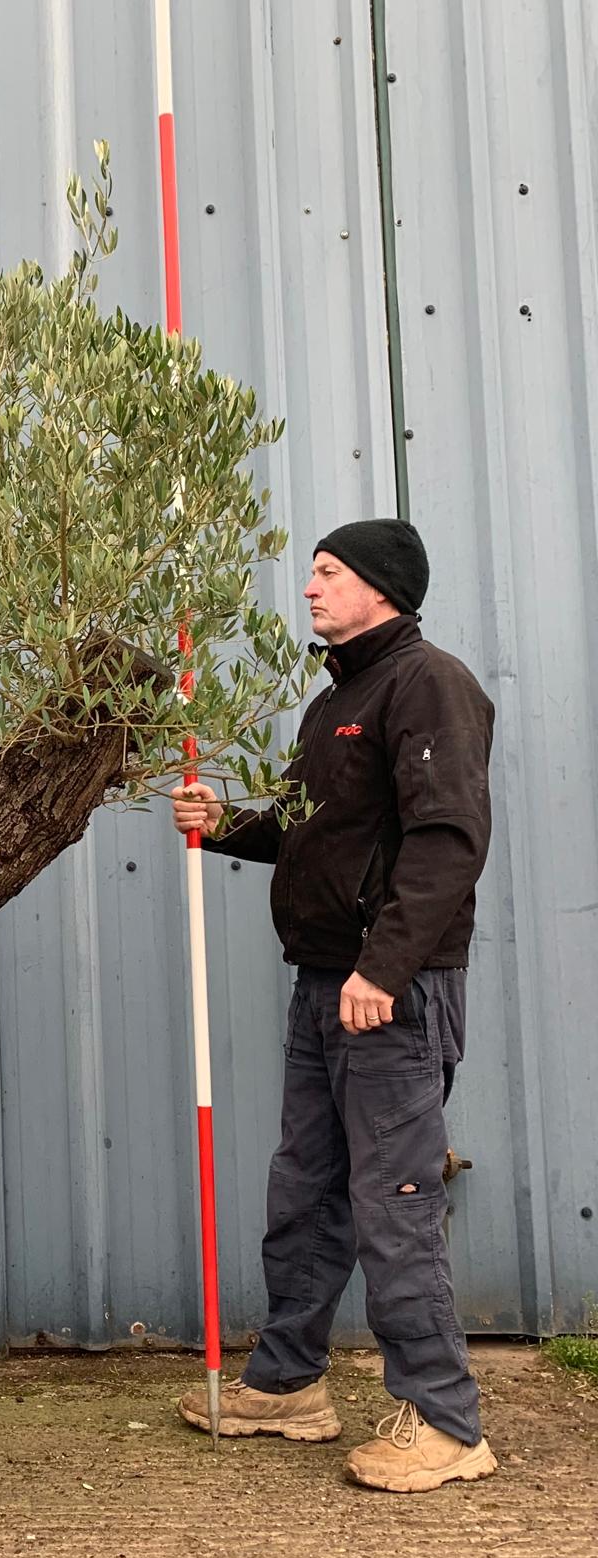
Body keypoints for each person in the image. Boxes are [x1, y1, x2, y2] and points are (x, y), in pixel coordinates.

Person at [172, 517, 497, 1492]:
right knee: (303, 1189)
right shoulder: (338, 701)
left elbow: (447, 840)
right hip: (326, 985)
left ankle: (446, 1423)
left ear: (382, 585)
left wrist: (383, 970)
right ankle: (288, 1382)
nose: (308, 588)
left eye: (328, 572)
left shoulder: (425, 683)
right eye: (311, 572)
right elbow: (313, 835)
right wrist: (223, 823)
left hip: (383, 994)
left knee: (393, 1201)